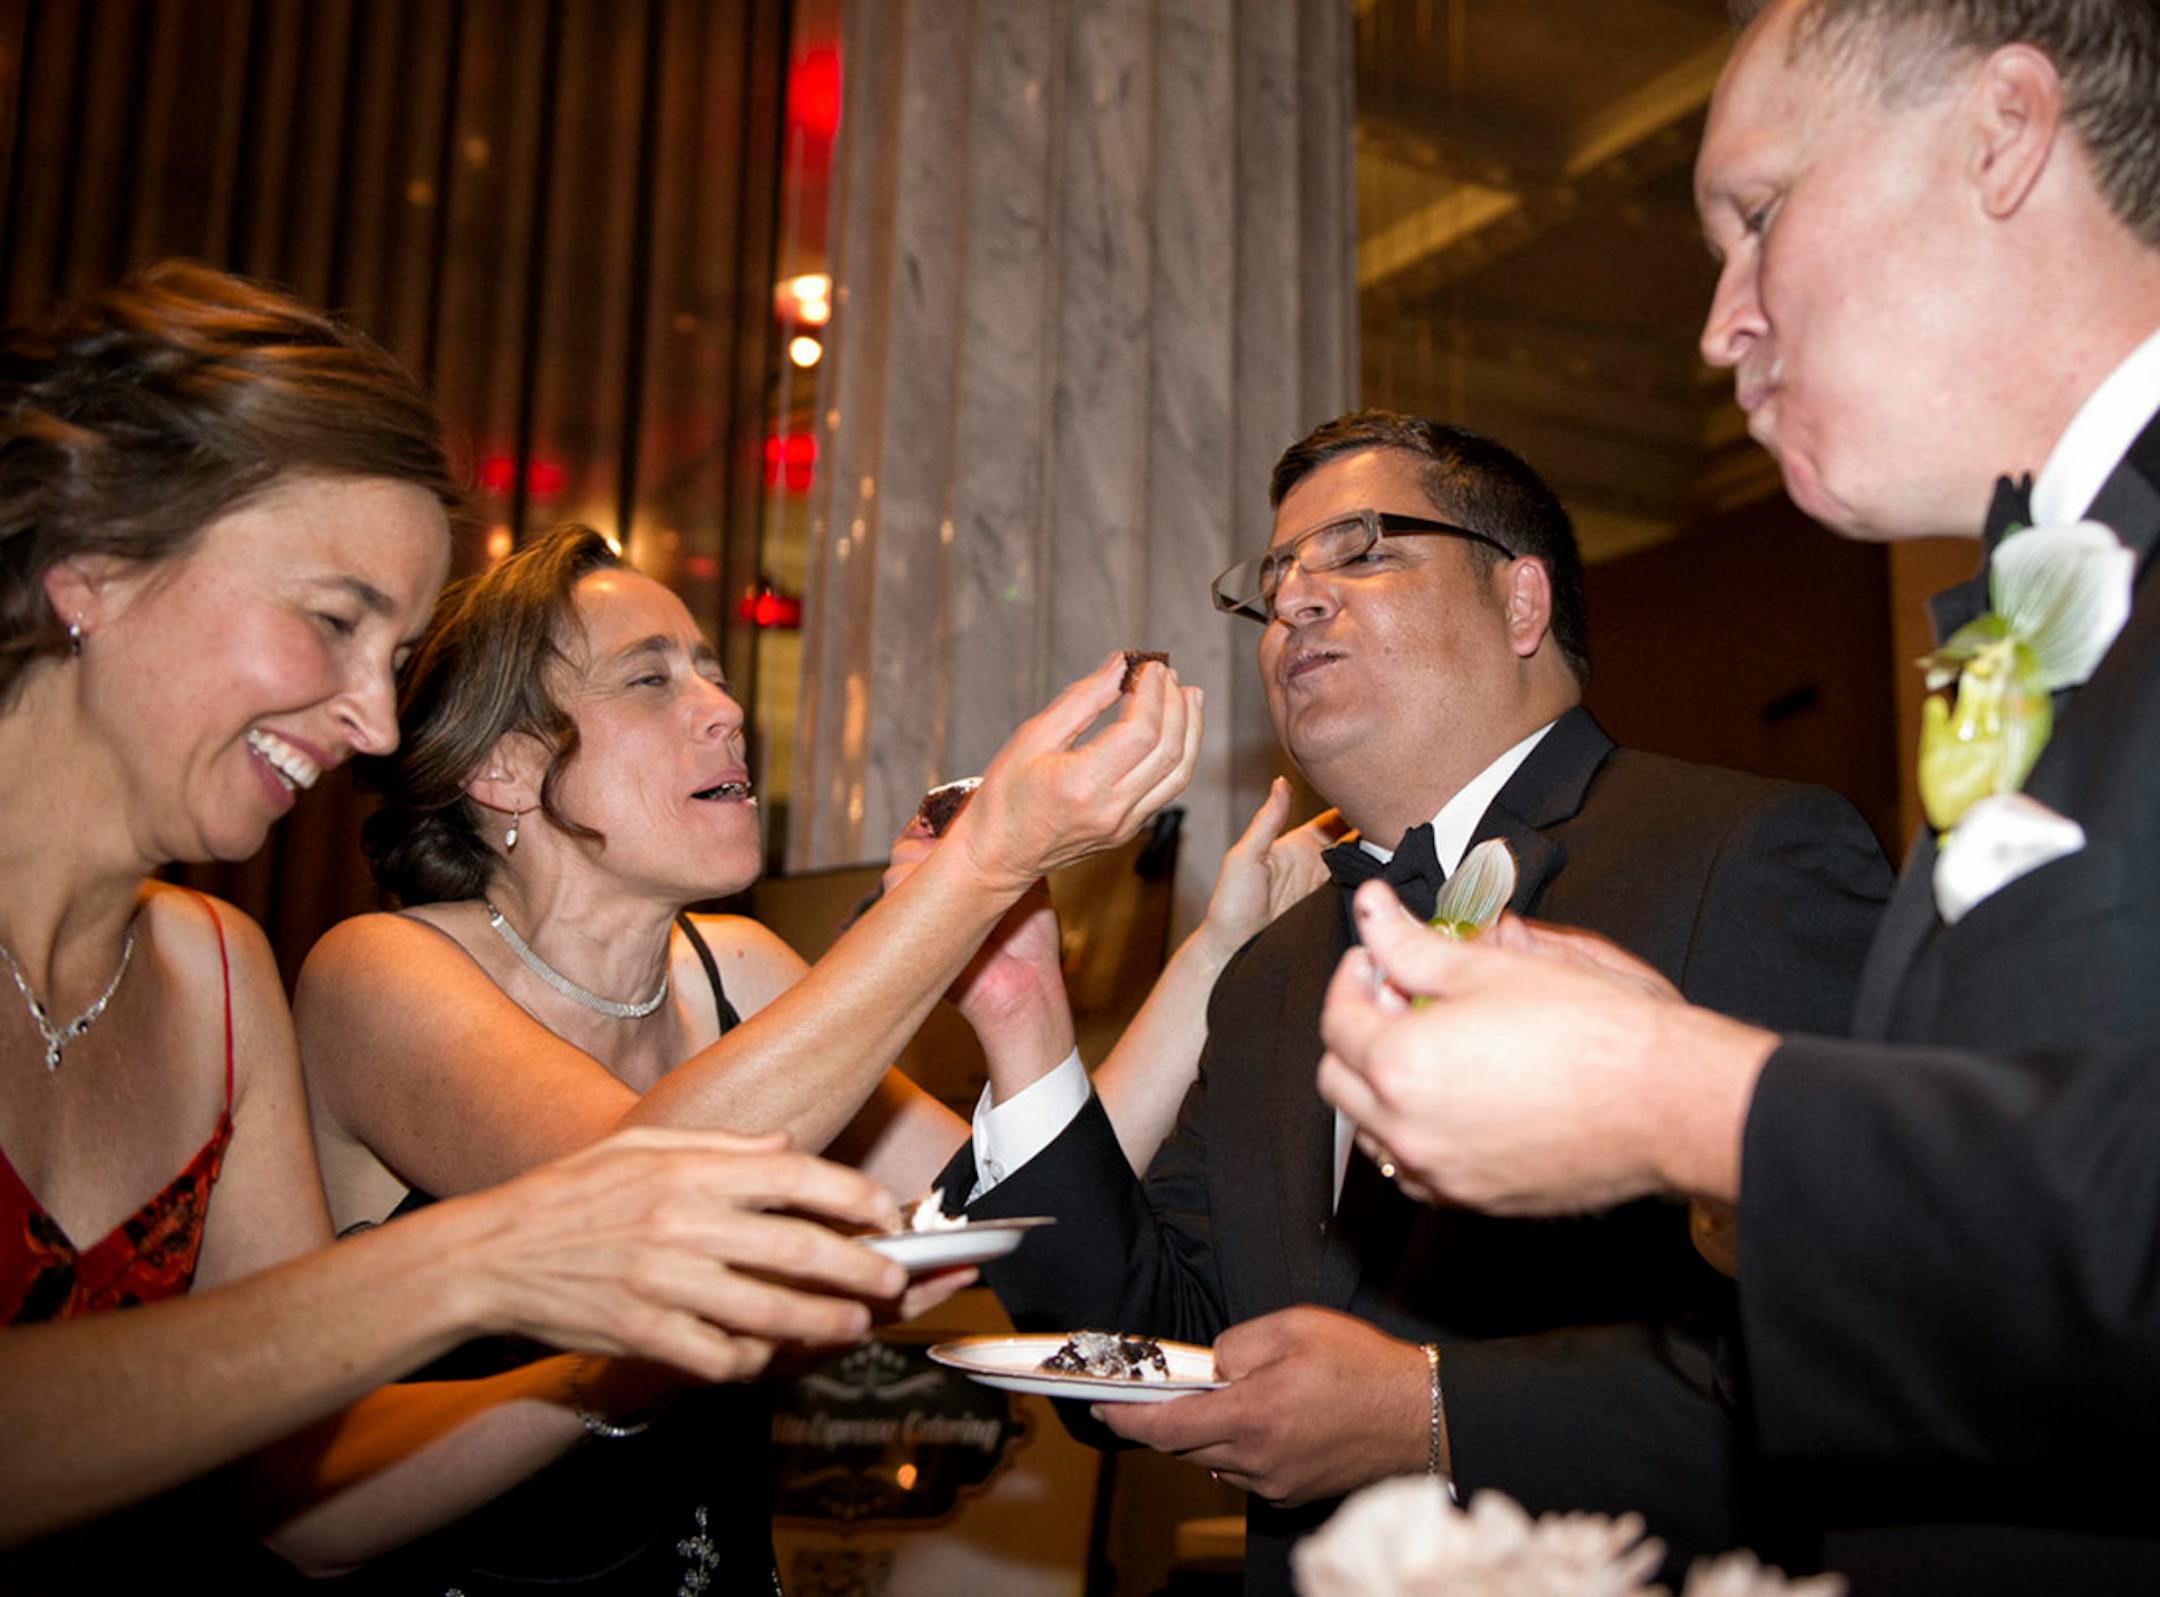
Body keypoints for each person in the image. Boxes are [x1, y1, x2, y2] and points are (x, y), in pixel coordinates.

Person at [1316, 2, 2160, 1590]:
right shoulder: (2054, 597)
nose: (1720, 328)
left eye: (1758, 217)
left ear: (2005, 131)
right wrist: (1696, 1116)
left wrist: (1686, 1098)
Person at [0, 263, 929, 1590]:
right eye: (331, 621)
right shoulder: (370, 970)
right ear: (91, 567)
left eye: (391, 659)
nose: (376, 727)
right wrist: (490, 1260)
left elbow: (300, 1498)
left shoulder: (216, 975)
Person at [937, 409, 1892, 1594]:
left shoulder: (1739, 858)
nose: (1293, 599)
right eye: (1277, 576)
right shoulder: (1278, 973)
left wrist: (1433, 1412)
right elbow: (1152, 1340)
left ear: (1523, 603)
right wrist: (1024, 1017)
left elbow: (1868, 1358)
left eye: (1362, 549)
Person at [295, 522, 1298, 1591]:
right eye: (650, 679)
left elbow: (1015, 1212)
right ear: (502, 766)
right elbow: (626, 1192)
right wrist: (981, 869)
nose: (724, 710)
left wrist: (1214, 955)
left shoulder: (736, 968)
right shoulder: (379, 973)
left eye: (714, 675)